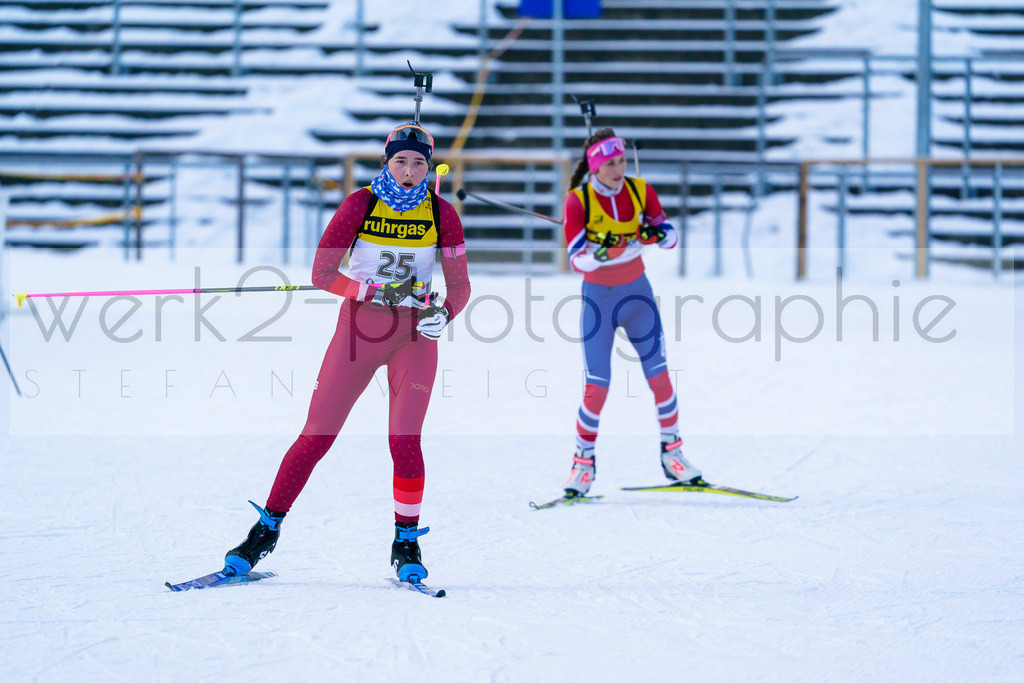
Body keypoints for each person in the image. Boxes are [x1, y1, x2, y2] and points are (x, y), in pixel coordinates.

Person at [222, 122, 471, 583]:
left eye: (420, 163)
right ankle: (265, 531)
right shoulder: (360, 204)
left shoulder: (443, 213)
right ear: (386, 161)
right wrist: (371, 289)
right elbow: (321, 272)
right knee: (317, 434)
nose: (410, 171)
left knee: (405, 440)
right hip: (360, 330)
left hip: (414, 336)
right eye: (401, 161)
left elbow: (458, 285)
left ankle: (406, 542)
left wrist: (446, 312)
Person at [560, 128, 703, 498]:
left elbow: (671, 237)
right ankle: (583, 462)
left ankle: (673, 454)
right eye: (610, 163)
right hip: (599, 300)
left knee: (659, 378)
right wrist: (604, 252)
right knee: (597, 387)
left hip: (638, 294)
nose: (619, 168)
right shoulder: (579, 202)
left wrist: (652, 234)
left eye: (622, 160)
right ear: (595, 166)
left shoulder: (641, 190)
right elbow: (577, 260)